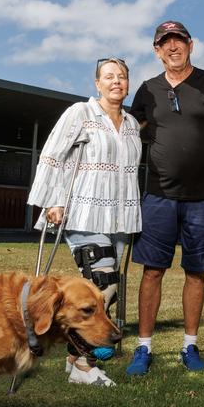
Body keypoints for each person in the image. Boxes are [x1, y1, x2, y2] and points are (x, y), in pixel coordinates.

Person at [126, 21, 204, 375]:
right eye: (165, 43)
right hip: (159, 197)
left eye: (178, 41)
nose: (172, 47)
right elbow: (128, 133)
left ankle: (189, 346)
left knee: (196, 273)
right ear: (157, 51)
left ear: (191, 45)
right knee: (152, 272)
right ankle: (143, 348)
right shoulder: (147, 91)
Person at [28, 57, 141, 386]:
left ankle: (74, 357)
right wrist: (53, 200)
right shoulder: (80, 112)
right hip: (82, 210)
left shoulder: (132, 123)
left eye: (121, 76)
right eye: (109, 77)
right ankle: (84, 368)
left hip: (120, 216)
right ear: (97, 84)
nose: (116, 81)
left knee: (107, 293)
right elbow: (52, 154)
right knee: (103, 286)